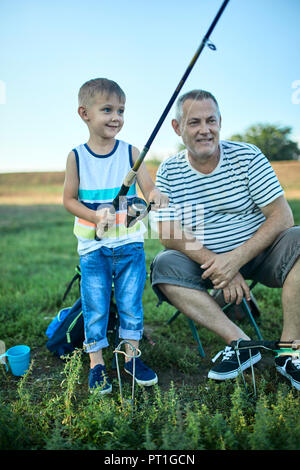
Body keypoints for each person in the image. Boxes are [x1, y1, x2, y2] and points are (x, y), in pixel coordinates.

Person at [150, 89, 300, 390]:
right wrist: (218, 264)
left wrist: (235, 261)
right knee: (163, 266)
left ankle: (290, 350)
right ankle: (241, 343)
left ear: (220, 122)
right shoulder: (168, 171)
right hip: (205, 264)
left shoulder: (247, 156)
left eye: (211, 120)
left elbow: (282, 218)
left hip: (260, 254)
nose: (205, 130)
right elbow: (168, 234)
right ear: (178, 128)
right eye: (194, 122)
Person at [63, 78, 168, 394]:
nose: (115, 117)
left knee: (130, 303)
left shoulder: (131, 152)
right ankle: (97, 363)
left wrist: (155, 195)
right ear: (84, 113)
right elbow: (69, 200)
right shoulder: (76, 156)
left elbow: (148, 190)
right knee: (95, 304)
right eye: (107, 109)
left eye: (120, 110)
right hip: (93, 249)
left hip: (130, 245)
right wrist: (96, 216)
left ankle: (130, 357)